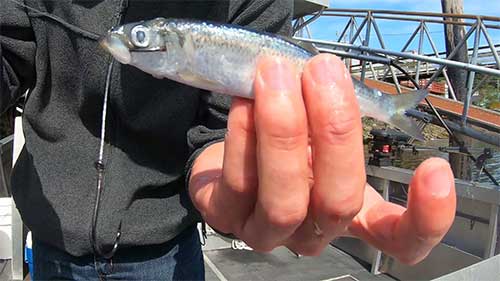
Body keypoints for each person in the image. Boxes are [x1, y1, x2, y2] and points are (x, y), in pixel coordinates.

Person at [1, 0, 456, 280]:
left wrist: (229, 168)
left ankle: (393, 109)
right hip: (52, 244)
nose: (128, 43)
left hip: (167, 254)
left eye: (142, 39)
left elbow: (221, 124)